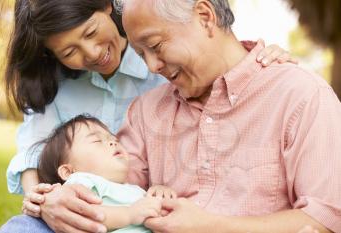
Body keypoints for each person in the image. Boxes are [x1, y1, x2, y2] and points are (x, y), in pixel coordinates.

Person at [0, 0, 296, 231]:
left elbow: (217, 65)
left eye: (90, 32)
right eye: (69, 52)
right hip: (81, 205)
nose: (91, 53)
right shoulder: (60, 85)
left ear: (106, 6)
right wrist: (44, 201)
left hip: (146, 205)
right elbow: (33, 149)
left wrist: (261, 60)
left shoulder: (163, 65)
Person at [114, 0, 341, 232]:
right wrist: (78, 195)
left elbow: (328, 218)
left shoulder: (300, 96)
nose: (152, 66)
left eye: (155, 46)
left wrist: (210, 226)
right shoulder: (144, 112)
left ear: (205, 17)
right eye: (141, 55)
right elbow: (108, 193)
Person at [35, 114, 176, 233]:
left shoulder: (134, 189)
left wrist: (158, 194)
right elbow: (82, 216)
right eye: (97, 141)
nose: (112, 143)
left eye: (114, 139)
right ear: (68, 171)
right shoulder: (82, 180)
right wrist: (129, 214)